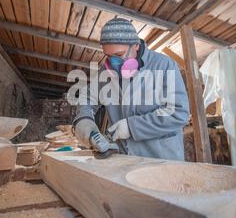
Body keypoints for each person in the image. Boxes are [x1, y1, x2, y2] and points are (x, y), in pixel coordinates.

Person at [72, 18, 190, 161]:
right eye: (108, 56)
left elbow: (178, 112)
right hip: (124, 160)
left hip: (162, 162)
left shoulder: (164, 65)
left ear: (135, 46)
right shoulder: (106, 72)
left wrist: (132, 127)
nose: (113, 63)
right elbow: (87, 97)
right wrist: (86, 124)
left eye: (119, 55)